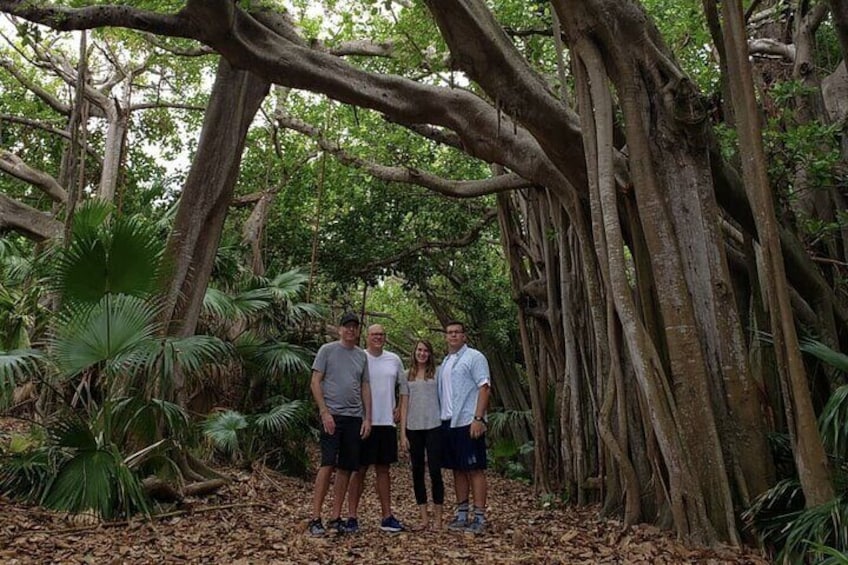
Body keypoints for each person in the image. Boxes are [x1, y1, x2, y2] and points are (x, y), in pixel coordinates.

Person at [307, 312, 372, 536]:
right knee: (327, 464)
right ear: (339, 328)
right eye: (347, 326)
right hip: (332, 415)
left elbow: (365, 386)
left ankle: (335, 517)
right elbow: (315, 381)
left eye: (354, 327)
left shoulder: (361, 356)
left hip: (354, 417)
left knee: (346, 468)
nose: (350, 330)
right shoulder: (327, 350)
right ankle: (315, 517)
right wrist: (324, 412)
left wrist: (367, 418)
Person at [346, 323, 407, 533]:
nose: (378, 337)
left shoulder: (394, 359)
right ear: (367, 336)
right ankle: (352, 516)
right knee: (359, 470)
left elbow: (404, 387)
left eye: (381, 334)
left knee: (384, 470)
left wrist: (399, 407)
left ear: (385, 337)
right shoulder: (359, 357)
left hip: (386, 423)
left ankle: (387, 516)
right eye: (374, 334)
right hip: (364, 421)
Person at [438, 320, 490, 534]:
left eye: (457, 332)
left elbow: (484, 387)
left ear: (464, 336)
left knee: (474, 468)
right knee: (457, 469)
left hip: (468, 420)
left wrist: (478, 418)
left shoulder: (475, 357)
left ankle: (479, 517)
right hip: (448, 421)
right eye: (449, 333)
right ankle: (462, 514)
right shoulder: (446, 361)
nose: (453, 336)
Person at [399, 339, 444, 531]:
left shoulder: (437, 374)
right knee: (417, 472)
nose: (422, 353)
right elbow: (404, 404)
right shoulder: (406, 375)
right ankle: (424, 518)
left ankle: (438, 520)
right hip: (413, 427)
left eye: (426, 350)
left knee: (435, 471)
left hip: (434, 425)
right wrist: (402, 434)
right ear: (414, 352)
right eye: (419, 350)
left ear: (430, 354)